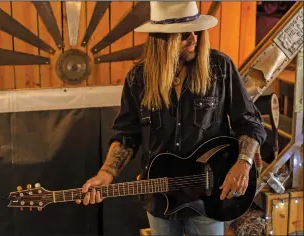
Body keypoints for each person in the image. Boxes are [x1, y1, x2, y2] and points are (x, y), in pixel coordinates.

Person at [76, 2, 267, 235]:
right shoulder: (139, 79)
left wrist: (243, 163)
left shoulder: (220, 67)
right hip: (160, 200)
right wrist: (105, 174)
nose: (194, 39)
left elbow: (249, 120)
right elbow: (126, 135)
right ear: (163, 39)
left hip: (209, 199)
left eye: (198, 31)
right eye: (185, 34)